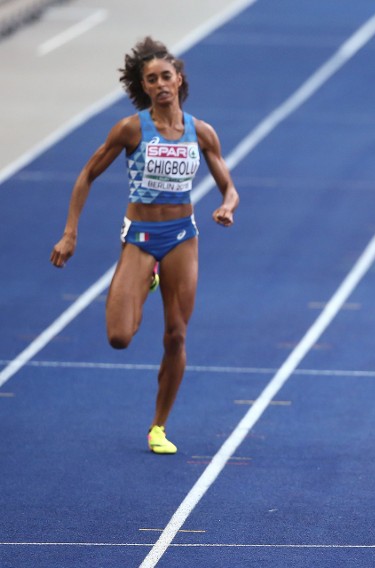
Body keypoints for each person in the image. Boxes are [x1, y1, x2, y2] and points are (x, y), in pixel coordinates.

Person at [50, 37, 239, 454]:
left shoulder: (201, 132)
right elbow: (86, 175)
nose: (160, 84)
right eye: (150, 79)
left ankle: (158, 426)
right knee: (119, 337)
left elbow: (229, 189)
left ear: (179, 79)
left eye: (165, 76)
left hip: (181, 239)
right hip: (139, 237)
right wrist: (70, 232)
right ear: (143, 87)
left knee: (176, 335)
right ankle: (143, 279)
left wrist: (226, 207)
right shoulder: (131, 129)